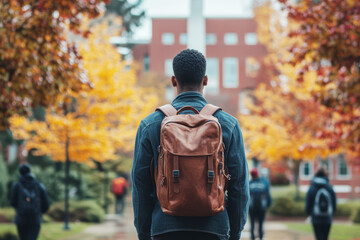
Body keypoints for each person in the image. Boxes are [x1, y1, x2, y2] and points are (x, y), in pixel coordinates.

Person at [132, 49, 249, 240]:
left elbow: (141, 186)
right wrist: (233, 232)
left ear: (173, 81)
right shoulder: (228, 125)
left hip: (165, 228)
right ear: (205, 80)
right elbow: (239, 187)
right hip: (214, 228)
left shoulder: (150, 125)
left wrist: (145, 232)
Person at [10, 163, 50, 240]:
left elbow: (13, 202)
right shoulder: (39, 185)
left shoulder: (16, 186)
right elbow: (46, 203)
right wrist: (39, 212)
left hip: (21, 219)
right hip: (35, 218)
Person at [305, 168, 337, 240]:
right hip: (327, 217)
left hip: (316, 217)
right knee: (325, 237)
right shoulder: (329, 187)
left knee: (318, 237)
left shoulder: (312, 187)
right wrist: (332, 213)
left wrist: (308, 214)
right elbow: (334, 202)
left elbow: (308, 202)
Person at [248, 168, 271, 240]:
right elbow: (268, 195)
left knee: (252, 224)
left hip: (251, 208)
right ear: (258, 174)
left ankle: (252, 237)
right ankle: (261, 237)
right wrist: (268, 204)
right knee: (261, 224)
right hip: (262, 207)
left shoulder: (249, 183)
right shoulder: (264, 183)